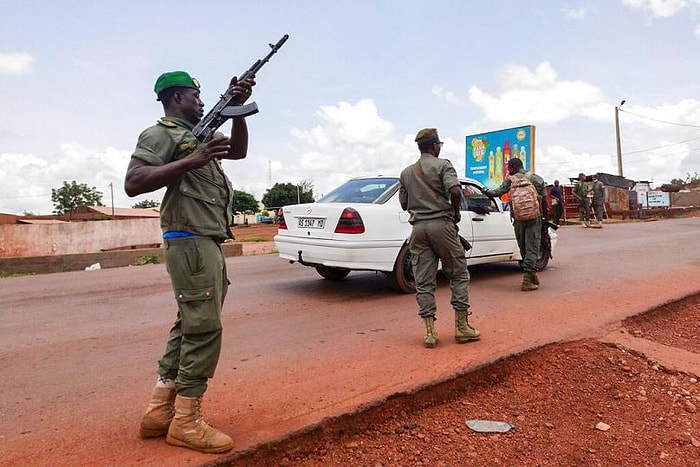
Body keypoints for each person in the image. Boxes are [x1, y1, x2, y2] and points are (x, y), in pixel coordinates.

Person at [124, 70, 255, 454]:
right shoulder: (160, 134)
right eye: (196, 96)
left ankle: (159, 411)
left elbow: (240, 152)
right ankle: (186, 421)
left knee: (190, 323)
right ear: (176, 97)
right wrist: (191, 160)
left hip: (205, 240)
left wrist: (237, 110)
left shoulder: (202, 134)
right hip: (190, 240)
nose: (201, 102)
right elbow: (134, 182)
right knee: (205, 329)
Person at [399, 128, 480, 348]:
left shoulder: (406, 173)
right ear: (435, 146)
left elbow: (404, 204)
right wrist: (455, 212)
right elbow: (455, 191)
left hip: (418, 230)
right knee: (459, 273)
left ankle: (430, 333)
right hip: (442, 226)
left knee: (424, 281)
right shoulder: (443, 165)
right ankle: (462, 328)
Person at [485, 157, 547, 291]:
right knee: (532, 248)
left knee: (523, 248)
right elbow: (545, 200)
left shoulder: (510, 180)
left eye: (509, 168)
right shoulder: (536, 178)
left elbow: (496, 193)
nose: (508, 171)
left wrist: (485, 192)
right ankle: (529, 278)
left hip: (518, 218)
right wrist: (545, 218)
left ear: (513, 167)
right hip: (534, 218)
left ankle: (530, 276)